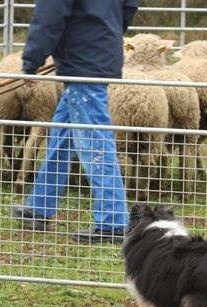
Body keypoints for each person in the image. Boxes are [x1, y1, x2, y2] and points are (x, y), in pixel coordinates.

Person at [11, 0, 139, 244]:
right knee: (61, 138)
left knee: (96, 144)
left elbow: (50, 15)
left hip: (83, 64)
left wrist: (32, 60)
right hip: (96, 55)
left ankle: (113, 222)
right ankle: (40, 208)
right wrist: (105, 33)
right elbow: (130, 5)